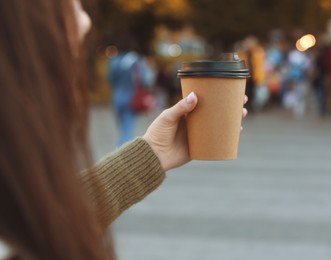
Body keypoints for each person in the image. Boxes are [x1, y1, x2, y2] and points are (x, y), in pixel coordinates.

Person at [0, 0, 248, 259]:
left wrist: (153, 152)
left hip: (120, 98)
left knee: (125, 124)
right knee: (127, 123)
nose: (84, 21)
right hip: (128, 99)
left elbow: (43, 228)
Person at [108, 39, 156, 146]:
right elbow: (145, 79)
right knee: (127, 128)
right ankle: (122, 151)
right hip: (131, 98)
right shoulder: (136, 61)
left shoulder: (114, 61)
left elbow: (111, 80)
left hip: (117, 97)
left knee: (122, 128)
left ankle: (120, 147)